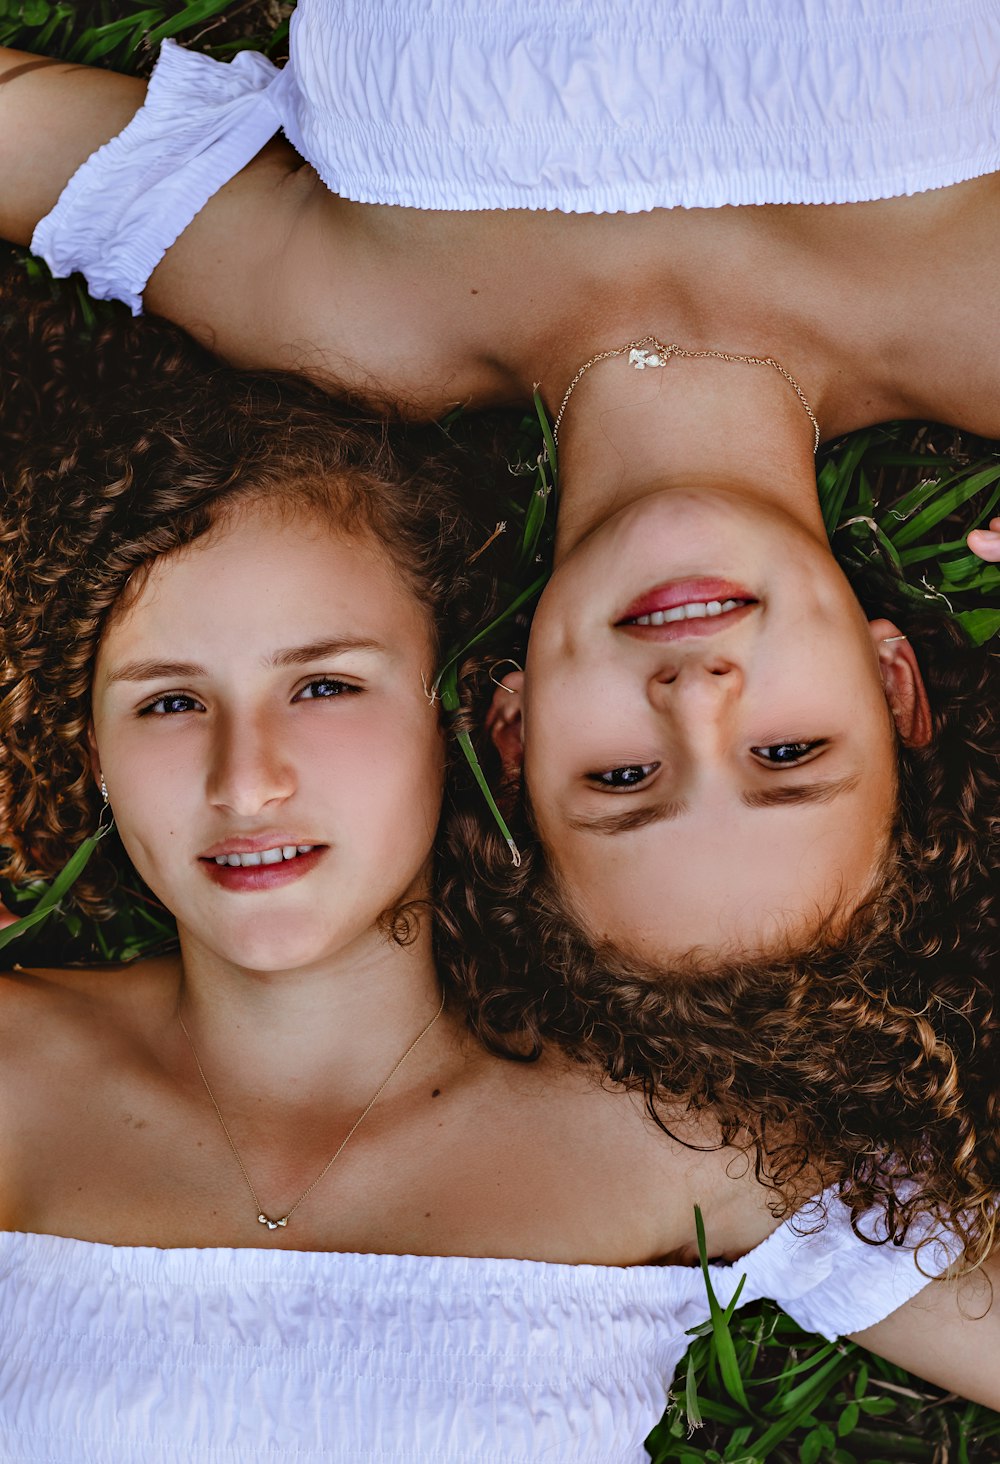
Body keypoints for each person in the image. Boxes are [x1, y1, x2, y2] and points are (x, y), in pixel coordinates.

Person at [2, 293, 995, 1461]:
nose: (248, 780)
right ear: (93, 756)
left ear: (460, 724)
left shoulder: (692, 1146)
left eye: (326, 686)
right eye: (169, 703)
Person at [1, 2, 997, 975]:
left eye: (621, 777)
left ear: (515, 728)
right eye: (787, 754)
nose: (694, 696)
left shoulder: (351, 323)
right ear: (891, 682)